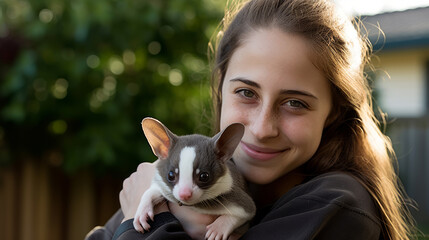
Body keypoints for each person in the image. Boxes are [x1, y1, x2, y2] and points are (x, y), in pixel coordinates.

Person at [85, 0, 415, 239]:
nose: (260, 129)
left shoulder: (337, 207)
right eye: (246, 93)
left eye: (295, 102)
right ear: (221, 90)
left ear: (334, 112)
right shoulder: (203, 171)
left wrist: (144, 222)